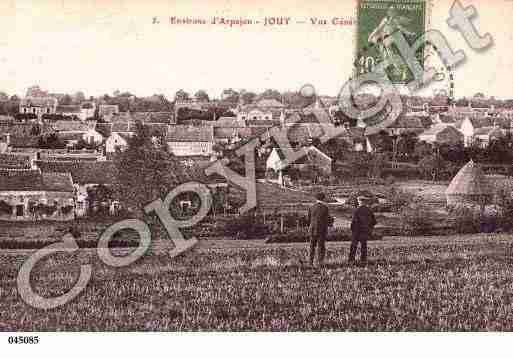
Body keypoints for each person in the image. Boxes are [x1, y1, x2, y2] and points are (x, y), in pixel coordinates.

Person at [349, 196, 377, 265]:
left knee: (353, 246)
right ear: (365, 202)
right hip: (365, 231)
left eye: (358, 201)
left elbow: (354, 222)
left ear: (359, 201)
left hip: (357, 231)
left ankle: (351, 260)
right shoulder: (369, 210)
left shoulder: (356, 210)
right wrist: (369, 228)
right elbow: (374, 222)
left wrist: (352, 230)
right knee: (364, 246)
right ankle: (363, 260)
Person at [307, 192, 332, 267]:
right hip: (321, 230)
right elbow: (327, 220)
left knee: (312, 246)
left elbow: (308, 219)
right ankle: (320, 263)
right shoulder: (325, 208)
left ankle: (310, 263)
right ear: (323, 198)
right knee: (321, 247)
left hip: (312, 229)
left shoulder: (311, 207)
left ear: (316, 198)